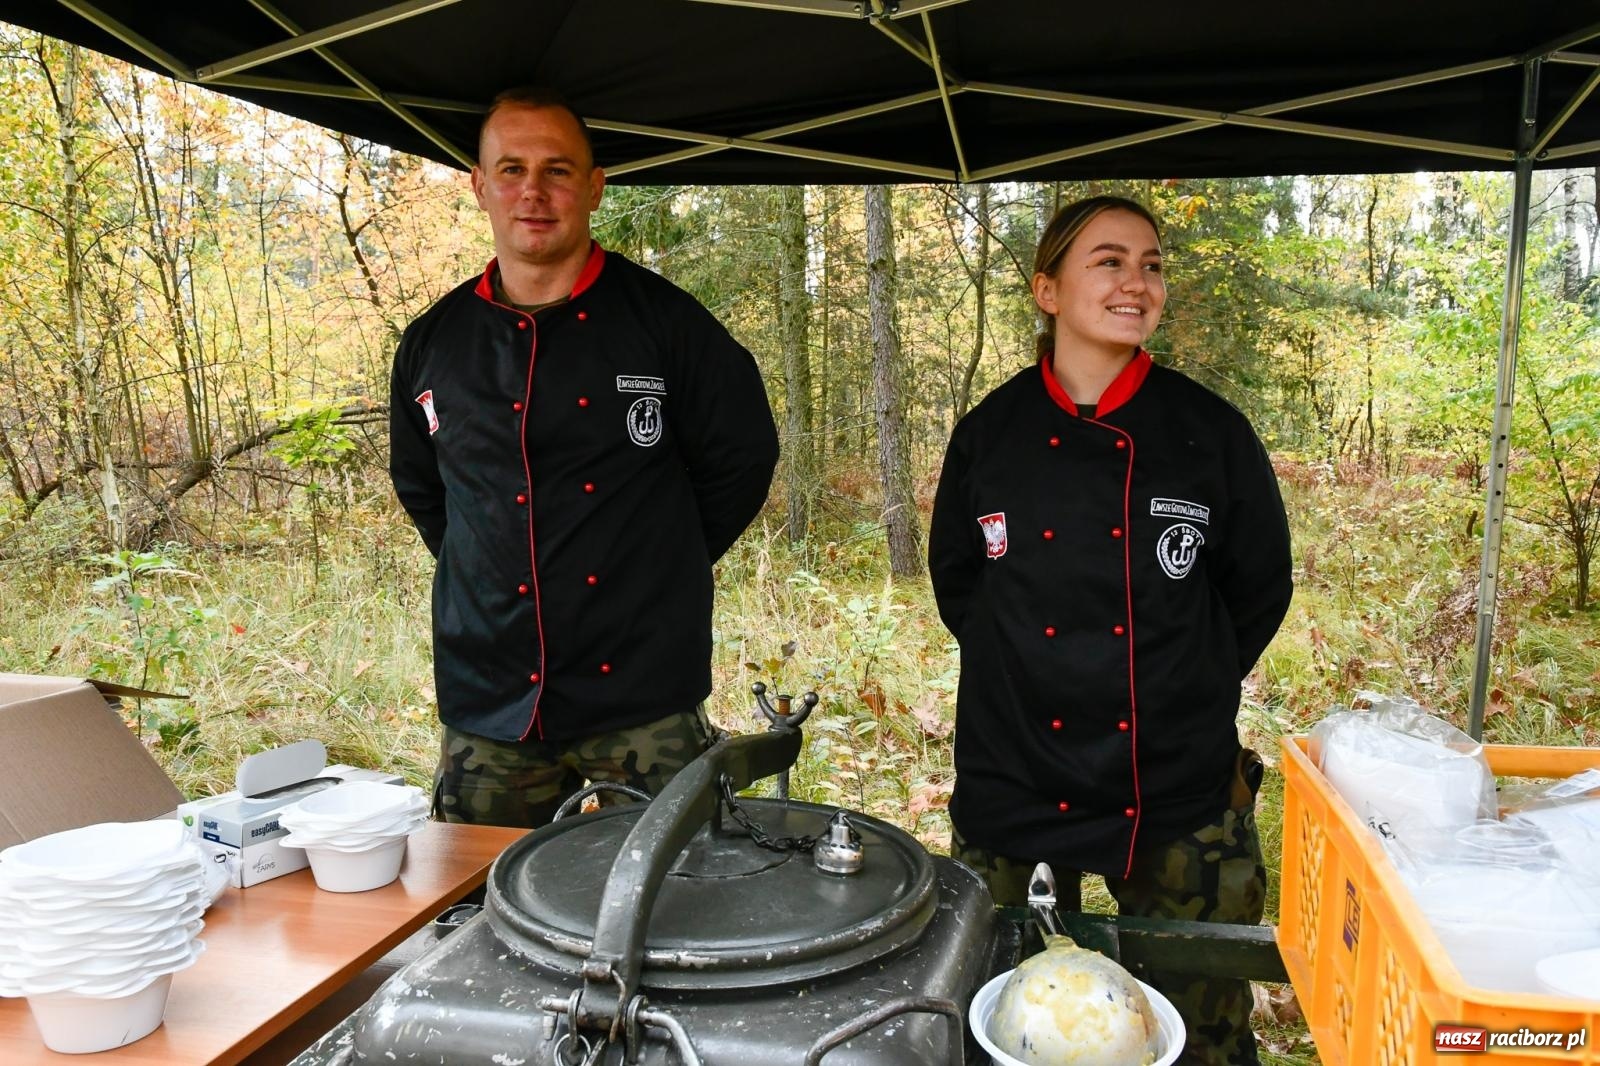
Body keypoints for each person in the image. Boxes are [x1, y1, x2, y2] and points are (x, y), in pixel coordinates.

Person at [928, 195, 1293, 1065]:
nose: (1138, 280)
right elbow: (961, 587)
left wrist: (1181, 679)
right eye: (1110, 260)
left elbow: (1258, 588)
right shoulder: (992, 434)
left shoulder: (1209, 433)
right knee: (993, 1020)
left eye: (1152, 263)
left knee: (1197, 1027)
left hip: (1171, 780)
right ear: (1047, 290)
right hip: (1011, 769)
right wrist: (1024, 673)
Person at [389, 87, 778, 828]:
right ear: (479, 186)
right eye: (511, 169)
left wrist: (663, 560)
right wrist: (491, 562)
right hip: (489, 700)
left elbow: (742, 459)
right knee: (484, 912)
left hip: (645, 698)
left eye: (558, 170)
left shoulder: (669, 326)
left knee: (678, 902)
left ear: (595, 187)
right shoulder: (433, 341)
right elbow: (424, 486)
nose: (533, 191)